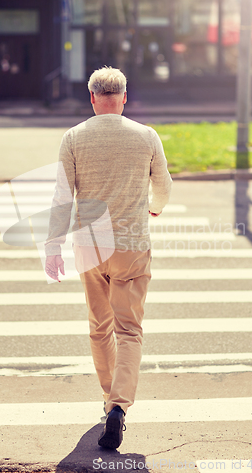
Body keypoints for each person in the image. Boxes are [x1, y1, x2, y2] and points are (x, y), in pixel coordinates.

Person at [45, 67, 172, 449]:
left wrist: (53, 245)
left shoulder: (74, 138)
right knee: (128, 329)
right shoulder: (146, 136)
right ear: (124, 98)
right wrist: (155, 207)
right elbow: (163, 184)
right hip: (131, 245)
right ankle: (119, 406)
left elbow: (62, 198)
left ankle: (106, 400)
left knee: (99, 327)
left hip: (89, 247)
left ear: (92, 98)